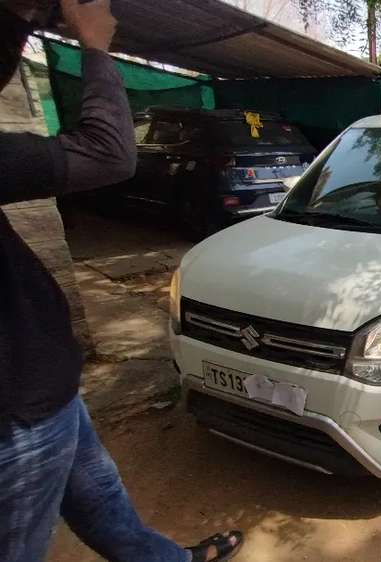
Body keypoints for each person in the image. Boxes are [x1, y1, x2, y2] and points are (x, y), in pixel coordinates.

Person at [0, 1, 244, 560]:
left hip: (47, 394)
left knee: (105, 502)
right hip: (17, 417)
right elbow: (109, 152)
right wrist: (91, 45)